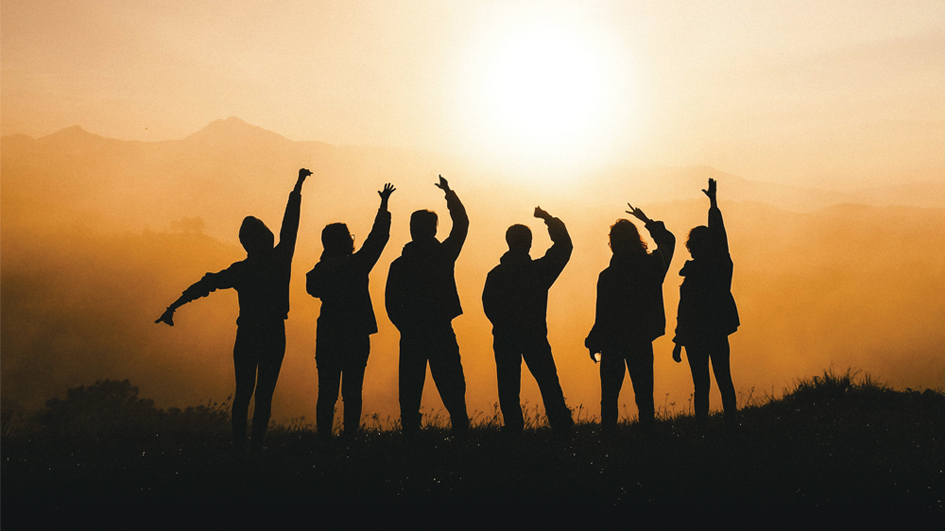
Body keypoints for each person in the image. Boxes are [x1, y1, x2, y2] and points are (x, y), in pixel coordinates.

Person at [156, 168, 310, 451]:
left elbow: (206, 284)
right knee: (263, 394)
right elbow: (291, 224)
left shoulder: (242, 270)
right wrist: (297, 188)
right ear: (265, 238)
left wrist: (173, 306)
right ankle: (255, 446)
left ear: (246, 243)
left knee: (244, 393)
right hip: (274, 332)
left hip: (249, 333)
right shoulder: (280, 259)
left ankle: (241, 447)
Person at [306, 183, 394, 441]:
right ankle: (350, 439)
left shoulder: (319, 272)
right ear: (348, 242)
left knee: (327, 392)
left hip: (328, 334)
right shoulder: (357, 266)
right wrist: (384, 206)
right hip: (356, 334)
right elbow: (378, 238)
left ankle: (324, 439)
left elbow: (312, 287)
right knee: (353, 391)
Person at [385, 175, 469, 436]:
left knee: (409, 388)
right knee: (452, 385)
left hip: (411, 334)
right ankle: (461, 432)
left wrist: (406, 325)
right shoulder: (443, 256)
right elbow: (462, 224)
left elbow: (391, 304)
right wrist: (449, 194)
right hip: (440, 329)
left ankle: (411, 435)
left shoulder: (400, 265)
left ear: (412, 229)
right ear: (434, 230)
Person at [482, 207, 573, 437]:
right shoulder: (538, 272)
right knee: (548, 382)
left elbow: (488, 306)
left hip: (504, 337)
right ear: (529, 244)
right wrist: (549, 220)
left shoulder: (496, 275)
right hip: (534, 336)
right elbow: (564, 247)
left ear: (508, 243)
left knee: (508, 386)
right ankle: (561, 426)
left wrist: (503, 324)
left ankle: (513, 429)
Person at [586, 205, 675, 430]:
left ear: (613, 244)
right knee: (644, 395)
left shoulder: (607, 277)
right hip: (641, 339)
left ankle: (608, 441)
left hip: (612, 342)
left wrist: (593, 341)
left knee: (609, 398)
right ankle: (647, 440)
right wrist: (647, 220)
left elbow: (603, 315)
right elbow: (669, 241)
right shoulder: (652, 266)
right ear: (637, 240)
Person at [671, 178, 740, 428]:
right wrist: (713, 204)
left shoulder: (700, 272)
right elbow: (721, 239)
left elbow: (684, 312)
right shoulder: (720, 267)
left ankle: (703, 428)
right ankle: (730, 424)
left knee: (702, 384)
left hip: (695, 336)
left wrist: (680, 340)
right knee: (723, 379)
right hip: (715, 332)